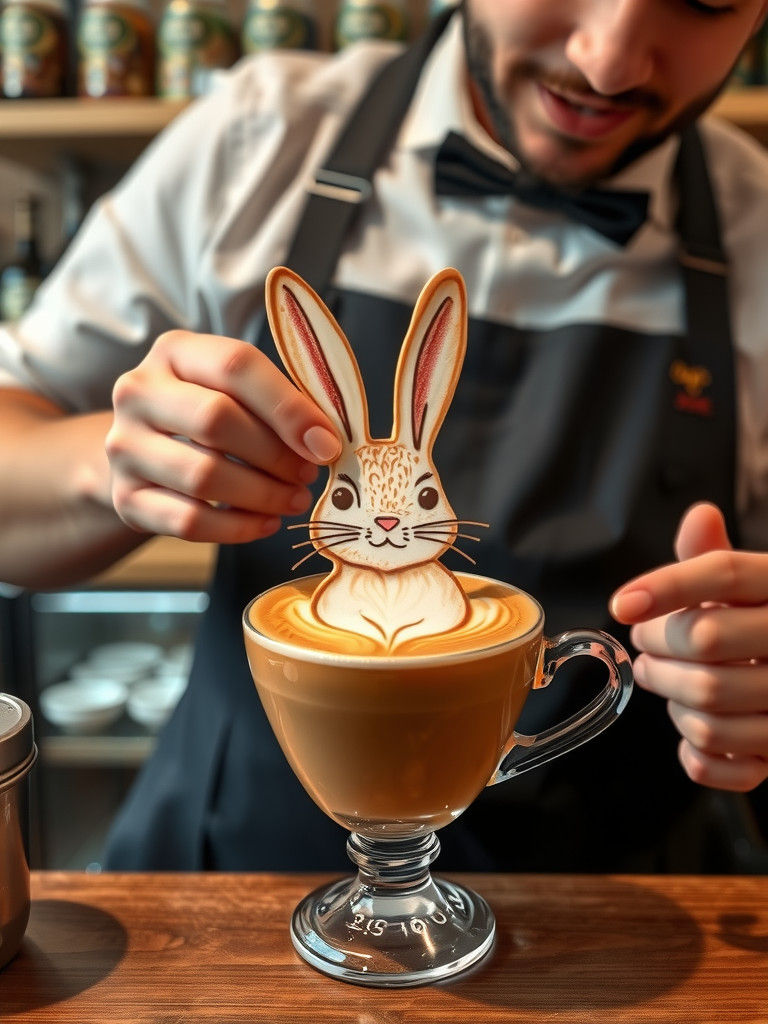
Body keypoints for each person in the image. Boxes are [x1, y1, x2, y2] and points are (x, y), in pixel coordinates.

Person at [1, 0, 768, 873]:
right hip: (236, 882)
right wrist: (113, 465)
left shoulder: (757, 227)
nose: (609, 62)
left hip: (611, 909)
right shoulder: (262, 135)